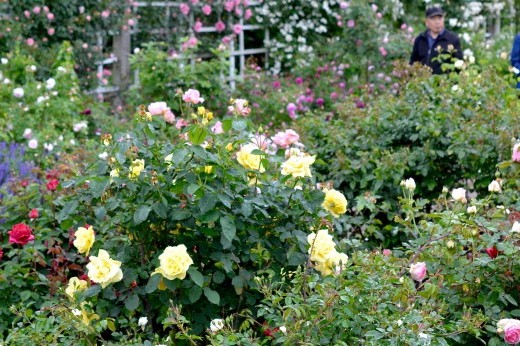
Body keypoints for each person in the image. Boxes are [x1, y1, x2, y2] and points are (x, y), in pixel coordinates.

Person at [410, 6, 463, 74]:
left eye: (439, 18)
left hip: (444, 82)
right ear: (427, 22)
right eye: (433, 19)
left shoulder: (452, 39)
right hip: (423, 81)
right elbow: (413, 62)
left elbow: (459, 64)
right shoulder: (420, 39)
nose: (437, 22)